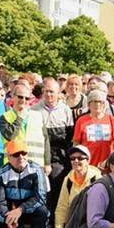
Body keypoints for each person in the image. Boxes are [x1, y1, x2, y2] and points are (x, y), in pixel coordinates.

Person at [32, 78, 75, 219]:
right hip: (39, 155)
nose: (49, 95)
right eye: (46, 91)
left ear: (58, 93)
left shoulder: (65, 110)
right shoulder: (34, 110)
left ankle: (55, 222)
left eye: (52, 92)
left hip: (59, 157)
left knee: (57, 189)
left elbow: (70, 137)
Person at [53, 145, 102, 228]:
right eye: (72, 158)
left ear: (88, 161)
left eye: (80, 158)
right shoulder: (68, 180)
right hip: (72, 225)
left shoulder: (97, 179)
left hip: (90, 226)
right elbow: (62, 206)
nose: (75, 161)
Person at [0, 84, 51, 173]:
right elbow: (10, 136)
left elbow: (46, 141)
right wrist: (19, 118)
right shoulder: (5, 117)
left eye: (26, 98)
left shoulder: (38, 115)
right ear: (13, 96)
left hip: (36, 165)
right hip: (13, 166)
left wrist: (47, 163)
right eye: (20, 97)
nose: (23, 100)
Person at [73, 90, 114, 168]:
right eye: (95, 101)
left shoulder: (112, 120)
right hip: (88, 165)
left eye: (100, 102)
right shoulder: (81, 121)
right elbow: (76, 144)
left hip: (108, 165)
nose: (98, 104)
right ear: (89, 104)